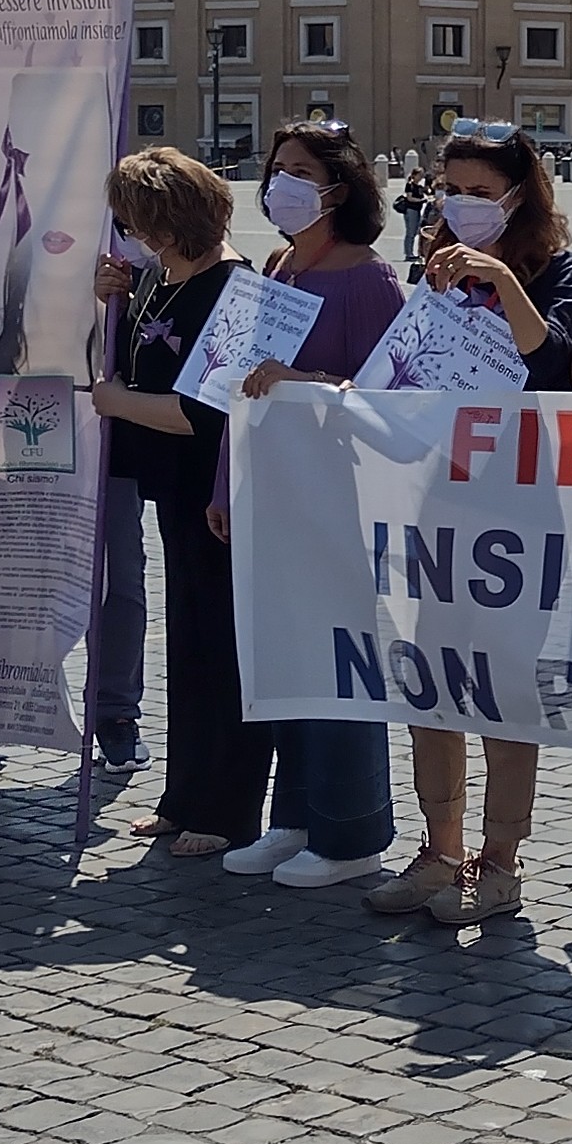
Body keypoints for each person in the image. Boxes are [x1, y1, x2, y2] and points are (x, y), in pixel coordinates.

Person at [365, 124, 572, 928]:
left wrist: (501, 278)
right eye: (448, 189)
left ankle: (500, 861)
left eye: (477, 191)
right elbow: (392, 376)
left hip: (520, 506)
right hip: (442, 498)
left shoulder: (560, 271)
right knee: (432, 683)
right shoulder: (431, 278)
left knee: (501, 689)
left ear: (518, 197)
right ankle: (439, 848)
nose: (459, 205)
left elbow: (554, 362)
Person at [219, 122, 406, 889]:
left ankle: (352, 828)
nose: (280, 184)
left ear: (337, 187)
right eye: (275, 168)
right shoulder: (275, 265)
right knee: (286, 657)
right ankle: (293, 816)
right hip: (271, 494)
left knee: (339, 664)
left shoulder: (370, 279)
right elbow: (235, 385)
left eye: (298, 170)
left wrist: (300, 379)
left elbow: (390, 397)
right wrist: (222, 485)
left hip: (340, 499)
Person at [92, 150, 252, 855]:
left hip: (216, 487)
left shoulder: (232, 285)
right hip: (171, 488)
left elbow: (201, 411)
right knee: (185, 647)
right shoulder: (159, 275)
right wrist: (112, 302)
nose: (128, 230)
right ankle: (183, 794)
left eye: (136, 219)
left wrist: (115, 402)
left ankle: (228, 809)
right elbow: (136, 353)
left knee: (223, 649)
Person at [89, 240, 156, 771]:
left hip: (112, 429)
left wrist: (124, 300)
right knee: (2, 562)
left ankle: (115, 712)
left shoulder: (140, 242)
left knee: (118, 574)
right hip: (19, 397)